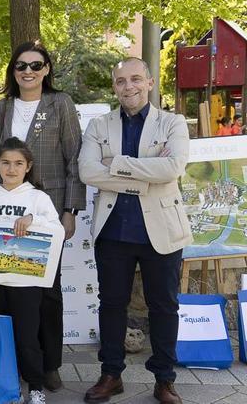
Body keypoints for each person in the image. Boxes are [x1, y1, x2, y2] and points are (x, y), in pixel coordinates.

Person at [79, 58, 192, 404]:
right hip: (114, 231)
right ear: (114, 86)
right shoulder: (99, 125)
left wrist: (119, 164)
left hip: (162, 230)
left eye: (135, 79)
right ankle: (111, 374)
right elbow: (88, 172)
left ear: (150, 82)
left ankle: (164, 379)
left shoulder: (172, 123)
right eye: (121, 81)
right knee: (112, 305)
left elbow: (172, 168)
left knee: (164, 307)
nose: (128, 86)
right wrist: (143, 178)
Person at [0, 41, 84, 391]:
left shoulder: (61, 104)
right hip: (4, 214)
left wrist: (70, 211)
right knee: (8, 291)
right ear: (13, 71)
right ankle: (15, 363)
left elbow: (74, 160)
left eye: (35, 65)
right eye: (21, 66)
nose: (28, 71)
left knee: (48, 291)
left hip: (47, 213)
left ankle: (49, 363)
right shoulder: (2, 107)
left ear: (46, 69)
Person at [0, 137, 65, 404]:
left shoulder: (38, 198)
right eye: (5, 163)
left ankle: (35, 388)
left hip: (27, 282)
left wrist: (32, 220)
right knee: (4, 337)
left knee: (28, 337)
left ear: (28, 166)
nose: (11, 169)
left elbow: (58, 230)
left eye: (18, 163)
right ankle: (10, 387)